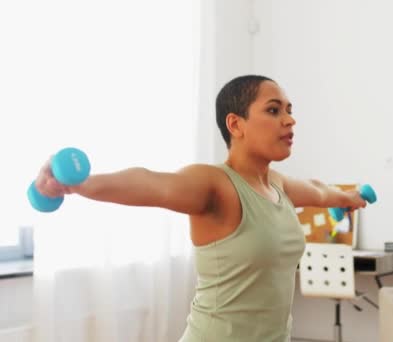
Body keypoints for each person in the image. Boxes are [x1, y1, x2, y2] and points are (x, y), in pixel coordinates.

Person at [34, 75, 368, 341]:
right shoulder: (214, 184)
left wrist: (347, 198)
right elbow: (151, 184)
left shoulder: (277, 185)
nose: (289, 120)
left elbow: (318, 191)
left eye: (290, 110)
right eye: (274, 110)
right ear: (236, 124)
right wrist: (78, 184)